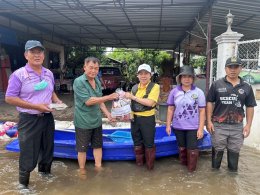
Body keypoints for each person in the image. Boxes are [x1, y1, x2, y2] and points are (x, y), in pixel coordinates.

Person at [5, 40, 62, 189]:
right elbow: (9, 98)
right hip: (29, 119)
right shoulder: (19, 75)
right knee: (28, 151)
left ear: (43, 55)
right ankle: (23, 185)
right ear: (26, 55)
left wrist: (57, 101)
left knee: (47, 148)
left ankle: (45, 175)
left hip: (47, 118)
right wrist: (36, 106)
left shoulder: (48, 73)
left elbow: (51, 91)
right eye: (33, 52)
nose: (37, 55)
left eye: (40, 52)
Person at [206, 56, 256, 172]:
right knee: (217, 152)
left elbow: (250, 106)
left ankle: (232, 179)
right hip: (219, 125)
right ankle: (214, 177)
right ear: (225, 69)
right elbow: (209, 102)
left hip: (237, 126)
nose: (233, 70)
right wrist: (208, 121)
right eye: (230, 67)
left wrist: (248, 125)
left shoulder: (246, 87)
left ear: (240, 69)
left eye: (236, 67)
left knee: (234, 154)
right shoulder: (216, 84)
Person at [73, 57, 118, 175]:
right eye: (91, 68)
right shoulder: (79, 81)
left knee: (98, 146)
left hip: (96, 120)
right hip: (83, 121)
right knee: (82, 148)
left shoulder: (97, 80)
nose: (93, 71)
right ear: (84, 68)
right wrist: (109, 97)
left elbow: (99, 101)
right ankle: (82, 171)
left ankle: (98, 167)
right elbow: (89, 101)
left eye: (96, 68)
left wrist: (108, 114)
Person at [166, 65, 206, 172]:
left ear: (193, 79)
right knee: (182, 148)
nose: (187, 79)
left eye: (189, 76)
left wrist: (201, 128)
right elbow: (170, 109)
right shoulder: (174, 92)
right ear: (180, 78)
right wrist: (168, 125)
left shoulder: (199, 92)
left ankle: (191, 172)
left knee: (192, 150)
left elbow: (202, 111)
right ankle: (183, 170)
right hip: (178, 126)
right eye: (184, 77)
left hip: (193, 127)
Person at [124, 64, 160, 170]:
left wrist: (133, 97)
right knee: (137, 143)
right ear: (137, 75)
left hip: (147, 119)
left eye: (146, 74)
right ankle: (139, 166)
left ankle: (149, 168)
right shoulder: (135, 88)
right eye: (141, 74)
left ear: (150, 75)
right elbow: (130, 104)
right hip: (134, 119)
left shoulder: (155, 87)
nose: (143, 76)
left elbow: (150, 103)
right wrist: (127, 114)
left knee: (149, 144)